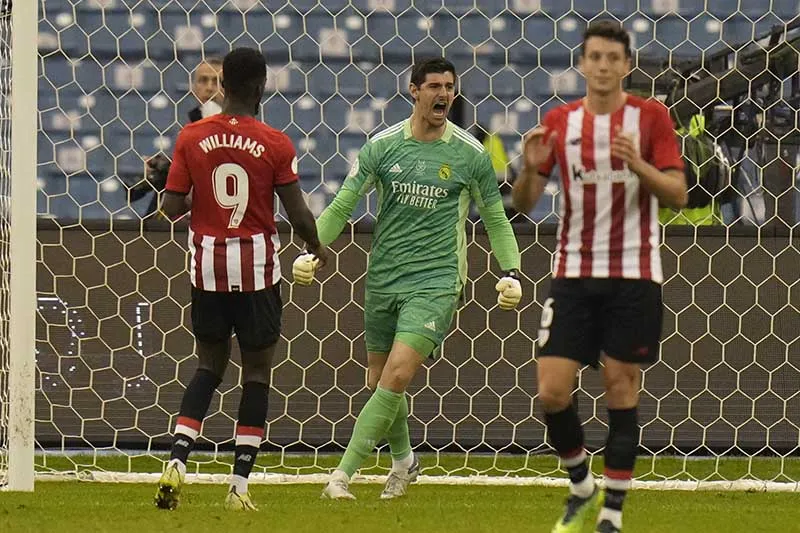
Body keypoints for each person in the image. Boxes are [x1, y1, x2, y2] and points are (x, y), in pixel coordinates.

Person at [292, 57, 523, 501]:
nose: (443, 94)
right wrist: (312, 249)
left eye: (449, 86)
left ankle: (341, 477)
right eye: (434, 86)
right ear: (414, 91)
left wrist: (510, 269)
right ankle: (404, 461)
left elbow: (495, 216)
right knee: (379, 379)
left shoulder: (470, 154)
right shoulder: (382, 147)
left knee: (397, 375)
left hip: (437, 280)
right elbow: (342, 204)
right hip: (384, 278)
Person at [511, 21, 687, 533]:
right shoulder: (560, 122)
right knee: (551, 391)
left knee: (620, 386)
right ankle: (581, 484)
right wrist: (529, 170)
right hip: (574, 273)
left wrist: (639, 166)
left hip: (634, 273)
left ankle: (612, 512)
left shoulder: (651, 118)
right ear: (582, 64)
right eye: (595, 57)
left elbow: (678, 194)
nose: (604, 66)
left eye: (613, 58)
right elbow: (522, 204)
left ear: (627, 65)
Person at [155, 47, 327, 511]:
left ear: (223, 85)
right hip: (256, 271)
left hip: (207, 268)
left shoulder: (191, 137)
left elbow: (170, 208)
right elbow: (297, 212)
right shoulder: (276, 142)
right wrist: (315, 245)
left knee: (208, 367)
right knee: (255, 373)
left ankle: (177, 460)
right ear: (261, 87)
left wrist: (175, 185)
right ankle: (238, 487)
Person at [129, 57, 224, 221]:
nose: (209, 88)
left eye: (217, 81)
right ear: (194, 87)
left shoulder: (241, 129)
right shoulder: (187, 126)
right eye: (203, 80)